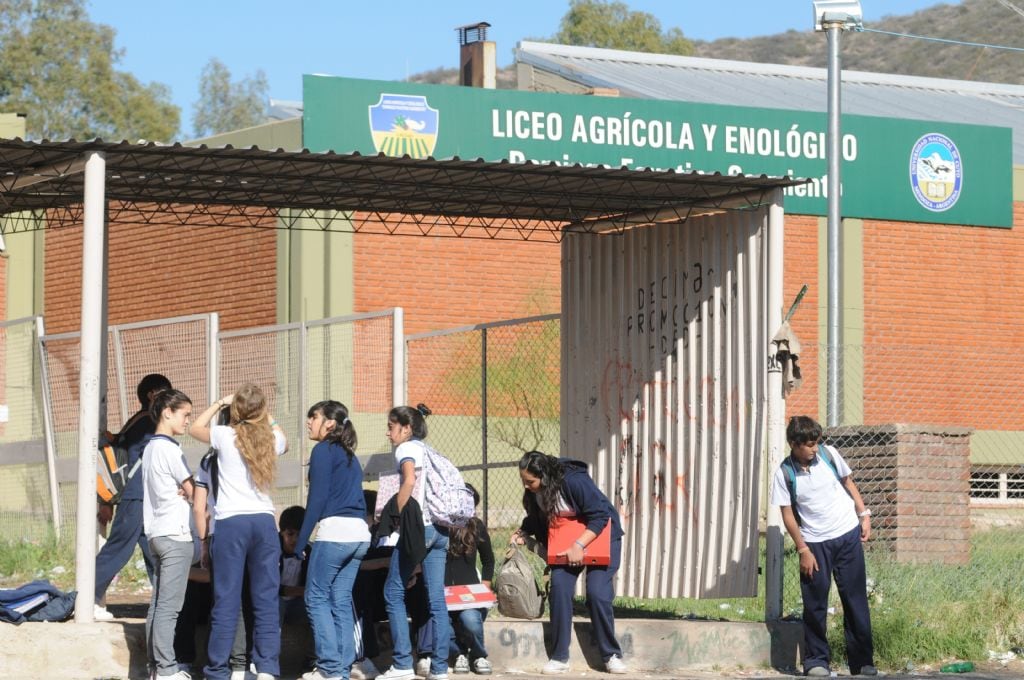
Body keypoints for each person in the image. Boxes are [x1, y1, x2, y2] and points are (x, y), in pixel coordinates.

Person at [190, 383, 288, 680]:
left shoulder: (223, 435)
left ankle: (218, 669)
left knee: (227, 598)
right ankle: (268, 668)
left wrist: (221, 402)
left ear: (236, 410)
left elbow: (195, 428)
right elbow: (280, 434)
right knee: (266, 599)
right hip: (263, 522)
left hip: (231, 524)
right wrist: (264, 414)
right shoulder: (273, 439)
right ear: (261, 411)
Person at [770, 416, 877, 678]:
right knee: (815, 604)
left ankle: (862, 662)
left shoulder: (829, 455)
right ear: (794, 445)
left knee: (855, 600)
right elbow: (788, 516)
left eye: (816, 443)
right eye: (809, 445)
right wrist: (802, 549)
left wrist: (864, 515)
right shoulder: (785, 473)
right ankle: (816, 661)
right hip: (815, 545)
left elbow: (848, 483)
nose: (814, 449)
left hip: (847, 535)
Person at [512, 451, 627, 676]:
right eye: (523, 481)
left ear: (543, 476)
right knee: (560, 588)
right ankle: (559, 657)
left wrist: (579, 546)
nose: (526, 486)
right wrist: (523, 532)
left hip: (599, 536)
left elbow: (600, 515)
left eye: (530, 481)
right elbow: (536, 519)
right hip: (567, 544)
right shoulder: (536, 494)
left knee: (597, 593)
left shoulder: (573, 481)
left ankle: (611, 655)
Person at [295, 399, 371, 680]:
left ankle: (328, 668)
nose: (308, 422)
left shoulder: (323, 450)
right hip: (359, 536)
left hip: (335, 534)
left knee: (315, 598)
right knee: (339, 598)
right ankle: (341, 668)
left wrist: (301, 542)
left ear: (329, 423)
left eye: (313, 416)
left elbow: (317, 500)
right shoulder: (347, 453)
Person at [377, 404, 451, 680]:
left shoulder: (406, 449)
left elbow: (408, 481)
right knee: (436, 600)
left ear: (406, 428)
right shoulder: (429, 450)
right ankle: (440, 668)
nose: (388, 433)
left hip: (418, 529)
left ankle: (402, 664)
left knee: (393, 592)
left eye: (391, 427)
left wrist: (394, 512)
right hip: (440, 529)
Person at [94, 372, 172, 621]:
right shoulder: (151, 421)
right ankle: (86, 597)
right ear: (153, 395)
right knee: (118, 548)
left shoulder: (138, 420)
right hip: (137, 496)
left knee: (154, 554)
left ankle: (166, 604)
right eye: (167, 393)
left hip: (140, 497)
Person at [188, 402, 255, 680]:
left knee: (225, 602)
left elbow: (199, 506)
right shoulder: (253, 453)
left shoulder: (208, 460)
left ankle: (219, 665)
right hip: (252, 531)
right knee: (248, 599)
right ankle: (241, 665)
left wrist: (204, 542)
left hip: (220, 532)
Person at [141, 388, 195, 680]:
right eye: (185, 414)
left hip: (157, 533)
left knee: (158, 604)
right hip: (174, 535)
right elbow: (193, 490)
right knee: (170, 608)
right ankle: (166, 669)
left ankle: (155, 667)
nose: (188, 421)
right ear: (167, 412)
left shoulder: (150, 448)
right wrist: (192, 492)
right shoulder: (170, 449)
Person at [278, 505, 308, 625]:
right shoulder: (272, 552)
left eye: (300, 535)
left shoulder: (309, 553)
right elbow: (270, 588)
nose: (295, 539)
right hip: (276, 601)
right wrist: (301, 591)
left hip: (297, 603)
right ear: (281, 533)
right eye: (290, 534)